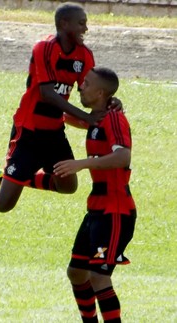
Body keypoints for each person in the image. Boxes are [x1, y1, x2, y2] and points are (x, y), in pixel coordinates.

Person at [0, 2, 121, 213]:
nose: (85, 29)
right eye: (81, 23)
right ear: (64, 24)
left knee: (67, 186)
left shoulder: (84, 55)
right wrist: (87, 118)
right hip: (29, 131)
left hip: (54, 133)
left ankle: (10, 177)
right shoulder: (44, 48)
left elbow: (89, 92)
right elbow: (47, 93)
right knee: (3, 204)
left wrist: (110, 101)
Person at [54, 67, 137, 322]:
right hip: (97, 210)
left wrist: (81, 164)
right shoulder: (97, 118)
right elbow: (66, 115)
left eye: (86, 84)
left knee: (100, 276)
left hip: (116, 212)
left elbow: (123, 156)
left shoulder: (114, 120)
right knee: (76, 272)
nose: (81, 87)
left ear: (100, 92)